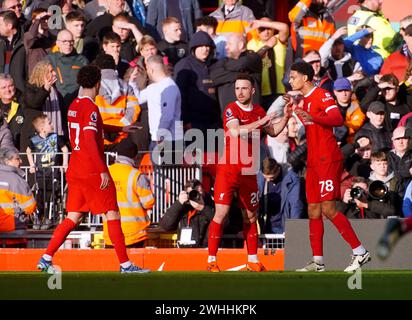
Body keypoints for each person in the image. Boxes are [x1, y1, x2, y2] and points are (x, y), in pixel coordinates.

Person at [36, 65, 150, 273]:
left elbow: (89, 128)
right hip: (92, 170)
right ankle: (125, 264)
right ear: (98, 83)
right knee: (113, 214)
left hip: (75, 168)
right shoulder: (91, 108)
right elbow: (89, 139)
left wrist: (119, 128)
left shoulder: (74, 105)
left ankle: (45, 256)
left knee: (73, 217)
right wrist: (103, 171)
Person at [288, 61, 371, 273]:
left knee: (328, 209)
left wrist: (312, 116)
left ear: (305, 78)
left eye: (293, 76)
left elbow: (336, 118)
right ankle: (317, 261)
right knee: (313, 209)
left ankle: (360, 252)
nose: (290, 80)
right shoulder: (305, 100)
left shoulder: (322, 94)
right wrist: (295, 109)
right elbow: (313, 124)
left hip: (327, 159)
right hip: (314, 161)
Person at [207, 73, 292, 272]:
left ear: (252, 90)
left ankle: (253, 260)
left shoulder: (259, 111)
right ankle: (211, 259)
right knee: (221, 213)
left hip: (248, 171)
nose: (240, 92)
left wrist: (286, 117)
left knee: (251, 216)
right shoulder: (231, 109)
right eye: (237, 88)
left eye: (244, 88)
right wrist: (262, 122)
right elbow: (236, 131)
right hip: (228, 170)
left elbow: (273, 132)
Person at [130, 55, 183, 164]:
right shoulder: (153, 87)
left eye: (147, 69)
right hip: (157, 139)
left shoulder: (169, 87)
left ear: (151, 69)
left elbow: (167, 115)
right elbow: (138, 99)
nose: (147, 73)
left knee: (169, 176)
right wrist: (132, 82)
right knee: (158, 176)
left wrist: (160, 133)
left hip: (169, 140)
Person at [104, 143, 155, 248]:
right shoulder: (136, 175)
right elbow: (148, 203)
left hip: (111, 233)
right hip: (134, 234)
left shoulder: (106, 173)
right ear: (134, 156)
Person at [26, 114, 69, 230]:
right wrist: (32, 165)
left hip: (53, 172)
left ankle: (49, 218)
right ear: (42, 128)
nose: (52, 125)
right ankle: (38, 218)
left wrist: (65, 164)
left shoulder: (56, 137)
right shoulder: (34, 139)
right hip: (40, 173)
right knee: (39, 195)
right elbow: (28, 151)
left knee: (52, 195)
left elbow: (65, 149)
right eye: (49, 123)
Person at [247, 17, 289, 109]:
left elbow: (285, 27)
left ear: (273, 29)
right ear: (258, 31)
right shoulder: (252, 44)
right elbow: (251, 61)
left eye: (269, 28)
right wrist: (267, 46)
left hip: (280, 90)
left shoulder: (278, 39)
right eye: (262, 29)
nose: (266, 31)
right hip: (260, 91)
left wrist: (262, 23)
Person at [159, 179, 214, 248]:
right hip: (184, 252)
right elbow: (165, 226)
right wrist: (178, 204)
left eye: (199, 192)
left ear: (204, 193)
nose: (196, 195)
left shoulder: (210, 206)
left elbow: (223, 224)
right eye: (192, 193)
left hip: (204, 251)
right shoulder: (183, 209)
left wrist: (203, 208)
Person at [257, 157, 303, 234]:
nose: (268, 180)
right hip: (266, 225)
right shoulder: (260, 177)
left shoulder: (292, 179)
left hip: (284, 225)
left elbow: (296, 204)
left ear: (278, 170)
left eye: (271, 178)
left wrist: (293, 227)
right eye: (266, 178)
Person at [0, 146, 36, 233]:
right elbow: (30, 207)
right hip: (13, 228)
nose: (21, 161)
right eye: (17, 159)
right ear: (8, 161)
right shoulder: (17, 180)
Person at [0, 11, 27, 93]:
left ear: (9, 26)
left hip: (21, 93)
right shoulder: (3, 44)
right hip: (4, 93)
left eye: (0, 25)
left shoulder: (25, 42)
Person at [0, 74, 24, 149]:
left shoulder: (24, 104)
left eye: (10, 86)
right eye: (3, 87)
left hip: (19, 152)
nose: (8, 90)